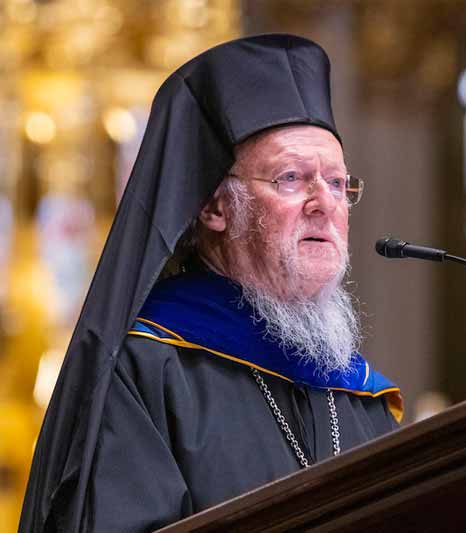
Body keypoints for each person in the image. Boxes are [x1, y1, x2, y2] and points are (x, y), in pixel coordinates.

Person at [19, 34, 402, 533]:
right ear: (214, 207)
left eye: (335, 182)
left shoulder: (356, 393)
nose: (323, 202)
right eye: (290, 178)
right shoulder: (146, 368)